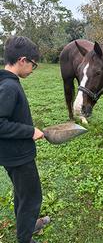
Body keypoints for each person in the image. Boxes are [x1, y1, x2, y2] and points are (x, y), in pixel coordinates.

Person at [0, 36, 50, 243]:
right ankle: (25, 238)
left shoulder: (6, 81)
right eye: (33, 64)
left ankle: (28, 224)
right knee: (31, 197)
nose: (32, 69)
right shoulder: (9, 87)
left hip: (13, 154)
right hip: (18, 156)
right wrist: (30, 131)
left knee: (22, 194)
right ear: (22, 60)